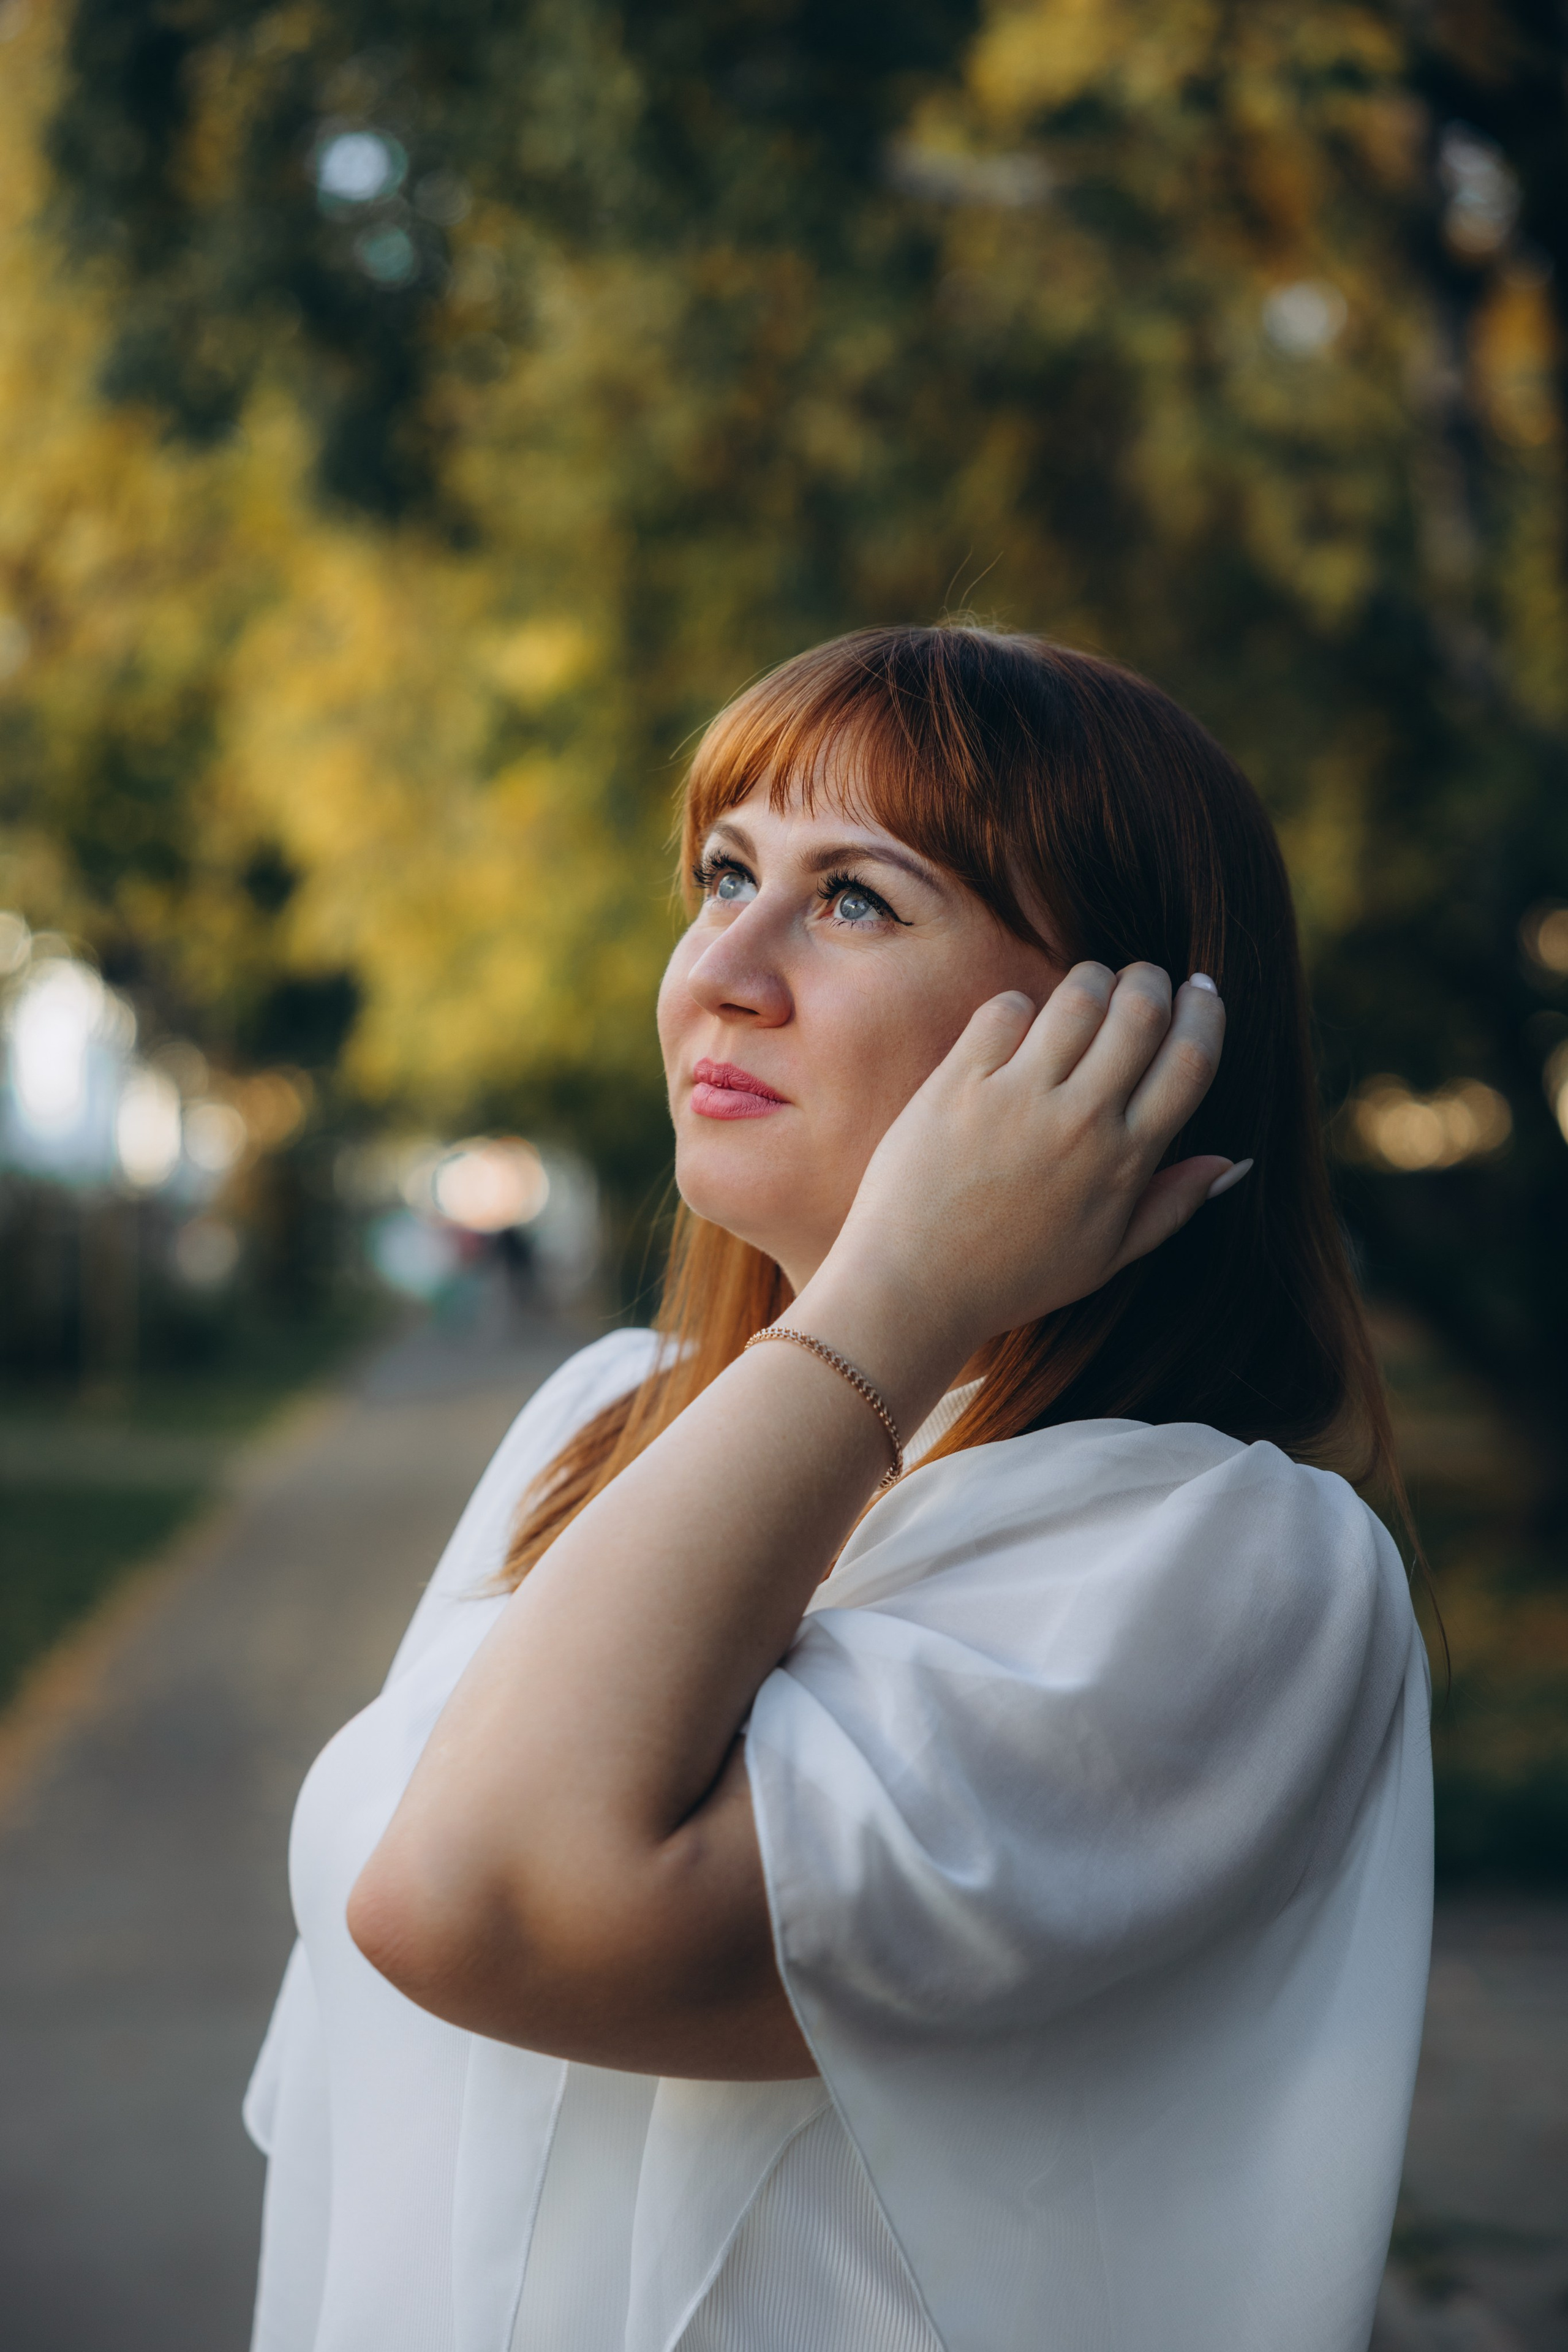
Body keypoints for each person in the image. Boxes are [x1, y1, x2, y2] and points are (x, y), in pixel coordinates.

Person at [244, 625, 1433, 2352]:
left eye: (857, 899)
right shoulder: (607, 1423)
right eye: (726, 874)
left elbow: (486, 1903)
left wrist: (891, 1301)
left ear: (1129, 1043)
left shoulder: (1230, 1566)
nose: (722, 966)